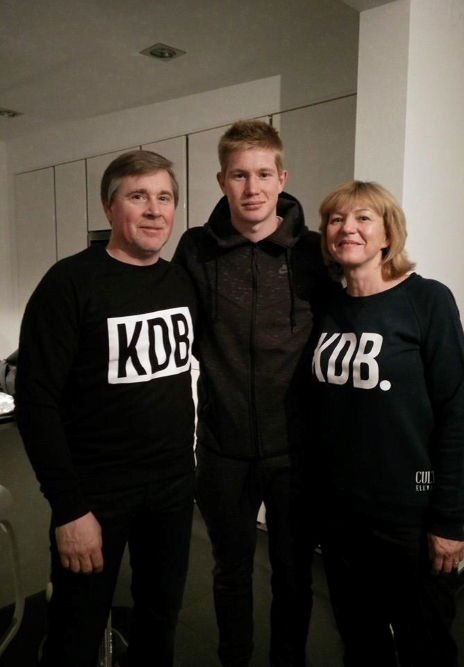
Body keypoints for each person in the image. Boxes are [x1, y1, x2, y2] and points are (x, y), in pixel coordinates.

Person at [15, 150, 197, 667]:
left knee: (160, 620)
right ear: (109, 206)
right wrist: (69, 509)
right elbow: (37, 401)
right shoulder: (69, 283)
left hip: (173, 486)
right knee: (76, 630)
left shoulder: (181, 282)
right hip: (95, 494)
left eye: (164, 197)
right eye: (138, 196)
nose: (154, 210)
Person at [173, 119, 333, 667]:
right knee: (229, 573)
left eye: (263, 173)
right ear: (221, 180)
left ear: (282, 176)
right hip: (222, 447)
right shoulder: (195, 250)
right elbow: (174, 333)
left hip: (298, 451)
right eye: (239, 175)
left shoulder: (315, 253)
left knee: (293, 578)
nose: (252, 188)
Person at [312, 180, 464, 666]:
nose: (347, 228)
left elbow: (454, 414)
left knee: (425, 645)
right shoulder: (328, 307)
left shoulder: (428, 301)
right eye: (337, 220)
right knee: (361, 643)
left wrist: (448, 517)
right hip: (343, 517)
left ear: (388, 234)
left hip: (410, 514)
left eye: (363, 218)